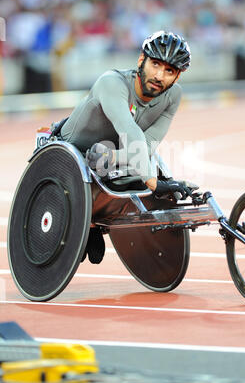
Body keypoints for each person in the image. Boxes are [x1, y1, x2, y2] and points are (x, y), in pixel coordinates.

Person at [59, 30, 193, 263]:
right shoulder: (112, 83)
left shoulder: (173, 96)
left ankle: (94, 218)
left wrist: (114, 156)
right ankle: (85, 218)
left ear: (177, 77)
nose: (159, 76)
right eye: (155, 64)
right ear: (141, 60)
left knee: (132, 164)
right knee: (137, 166)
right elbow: (131, 133)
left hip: (107, 156)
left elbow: (149, 143)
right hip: (70, 153)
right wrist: (153, 182)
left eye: (169, 71)